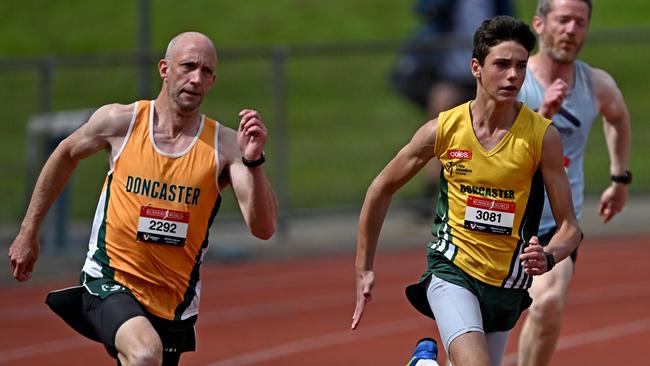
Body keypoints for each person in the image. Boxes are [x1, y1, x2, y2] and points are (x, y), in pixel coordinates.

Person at [8, 32, 278, 365]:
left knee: (144, 357)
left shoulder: (224, 146)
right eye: (188, 66)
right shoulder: (122, 122)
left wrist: (253, 161)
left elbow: (263, 228)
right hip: (109, 281)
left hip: (173, 304)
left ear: (213, 80)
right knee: (145, 353)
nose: (196, 78)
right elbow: (65, 153)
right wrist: (28, 230)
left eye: (206, 72)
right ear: (164, 69)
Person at [351, 16, 582, 366]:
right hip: (453, 270)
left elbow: (571, 227)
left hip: (506, 284)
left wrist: (548, 256)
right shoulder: (443, 129)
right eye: (502, 65)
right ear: (476, 67)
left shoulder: (541, 136)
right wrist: (364, 266)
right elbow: (381, 189)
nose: (513, 76)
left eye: (521, 66)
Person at [516, 1, 632, 365]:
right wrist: (541, 117)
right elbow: (490, 145)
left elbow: (618, 118)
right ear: (539, 24)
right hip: (499, 220)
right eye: (563, 20)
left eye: (580, 23)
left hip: (555, 225)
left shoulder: (594, 84)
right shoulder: (512, 81)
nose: (571, 30)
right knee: (485, 325)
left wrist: (619, 177)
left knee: (548, 302)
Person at [390, 0, 515, 214]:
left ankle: (499, 188)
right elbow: (425, 9)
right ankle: (433, 190)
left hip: (489, 71)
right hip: (454, 70)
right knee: (442, 120)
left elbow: (510, 23)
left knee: (499, 124)